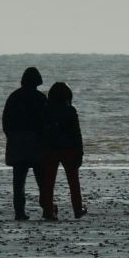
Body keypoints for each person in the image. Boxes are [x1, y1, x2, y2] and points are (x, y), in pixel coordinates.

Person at [1, 67, 47, 220]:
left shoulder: (14, 97)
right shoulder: (40, 98)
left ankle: (19, 212)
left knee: (18, 181)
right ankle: (46, 208)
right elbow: (47, 122)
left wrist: (12, 137)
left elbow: (5, 122)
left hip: (17, 143)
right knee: (42, 179)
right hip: (36, 142)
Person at [39, 81, 86, 220]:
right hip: (69, 149)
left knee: (48, 182)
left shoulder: (46, 110)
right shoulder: (70, 111)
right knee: (73, 182)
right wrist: (80, 152)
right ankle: (77, 209)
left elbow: (42, 132)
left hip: (51, 149)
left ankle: (48, 211)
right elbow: (76, 133)